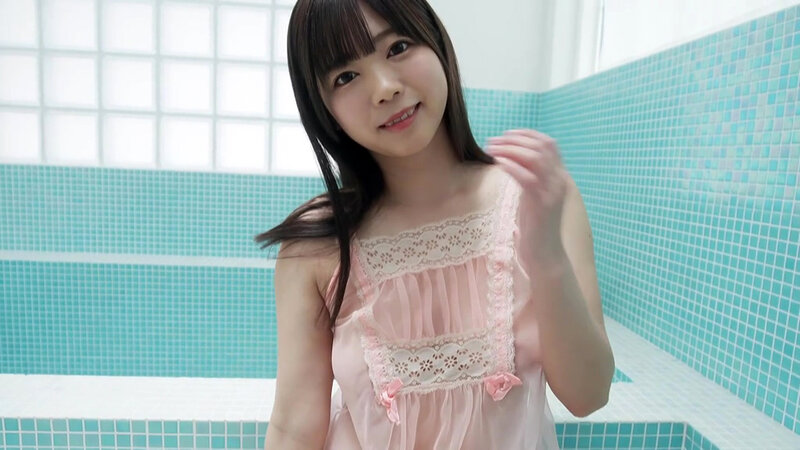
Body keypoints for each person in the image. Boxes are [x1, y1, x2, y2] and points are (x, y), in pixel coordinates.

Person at [255, 0, 615, 448]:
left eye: (397, 47)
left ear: (436, 42)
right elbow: (294, 426)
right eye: (345, 77)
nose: (384, 88)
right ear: (324, 109)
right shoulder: (317, 244)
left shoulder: (534, 195)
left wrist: (545, 254)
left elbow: (588, 395)